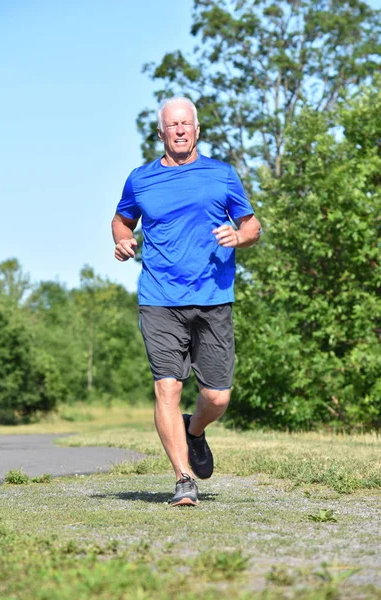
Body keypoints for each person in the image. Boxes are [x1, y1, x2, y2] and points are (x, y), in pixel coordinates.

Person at [112, 96, 260, 506]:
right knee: (167, 386)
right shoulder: (140, 179)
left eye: (185, 124)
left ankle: (194, 430)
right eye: (171, 125)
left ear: (196, 130)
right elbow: (122, 219)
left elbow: (252, 226)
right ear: (160, 133)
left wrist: (239, 237)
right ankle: (183, 479)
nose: (179, 130)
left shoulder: (221, 175)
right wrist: (123, 239)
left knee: (217, 397)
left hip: (213, 296)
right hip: (159, 297)